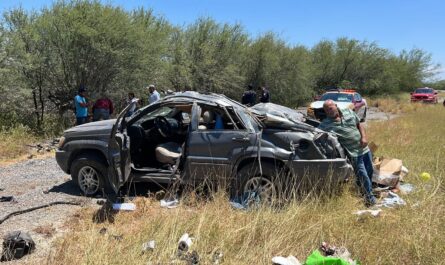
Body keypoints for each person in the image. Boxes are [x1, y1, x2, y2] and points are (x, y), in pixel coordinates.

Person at [318, 99, 377, 206]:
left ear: (335, 106)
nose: (329, 111)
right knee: (363, 174)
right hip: (353, 153)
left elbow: (359, 124)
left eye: (330, 108)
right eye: (326, 110)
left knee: (369, 171)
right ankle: (370, 199)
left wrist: (364, 137)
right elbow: (315, 134)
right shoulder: (325, 124)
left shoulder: (348, 112)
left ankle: (364, 191)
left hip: (364, 148)